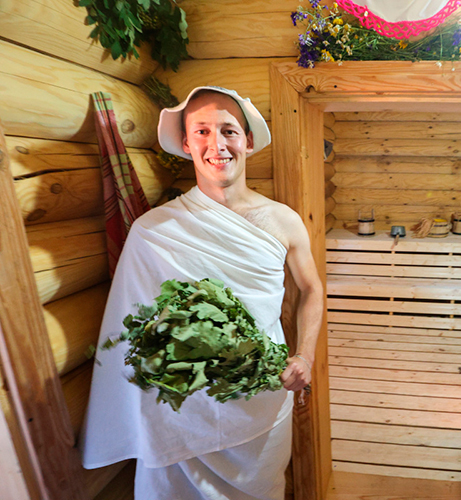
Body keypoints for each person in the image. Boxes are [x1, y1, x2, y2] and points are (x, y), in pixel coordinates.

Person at [80, 86, 324, 500]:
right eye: (203, 131)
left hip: (260, 399)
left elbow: (312, 288)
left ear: (247, 141)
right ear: (187, 143)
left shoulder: (283, 221)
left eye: (229, 130)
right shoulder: (153, 230)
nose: (217, 144)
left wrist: (305, 355)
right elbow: (133, 322)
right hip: (181, 409)